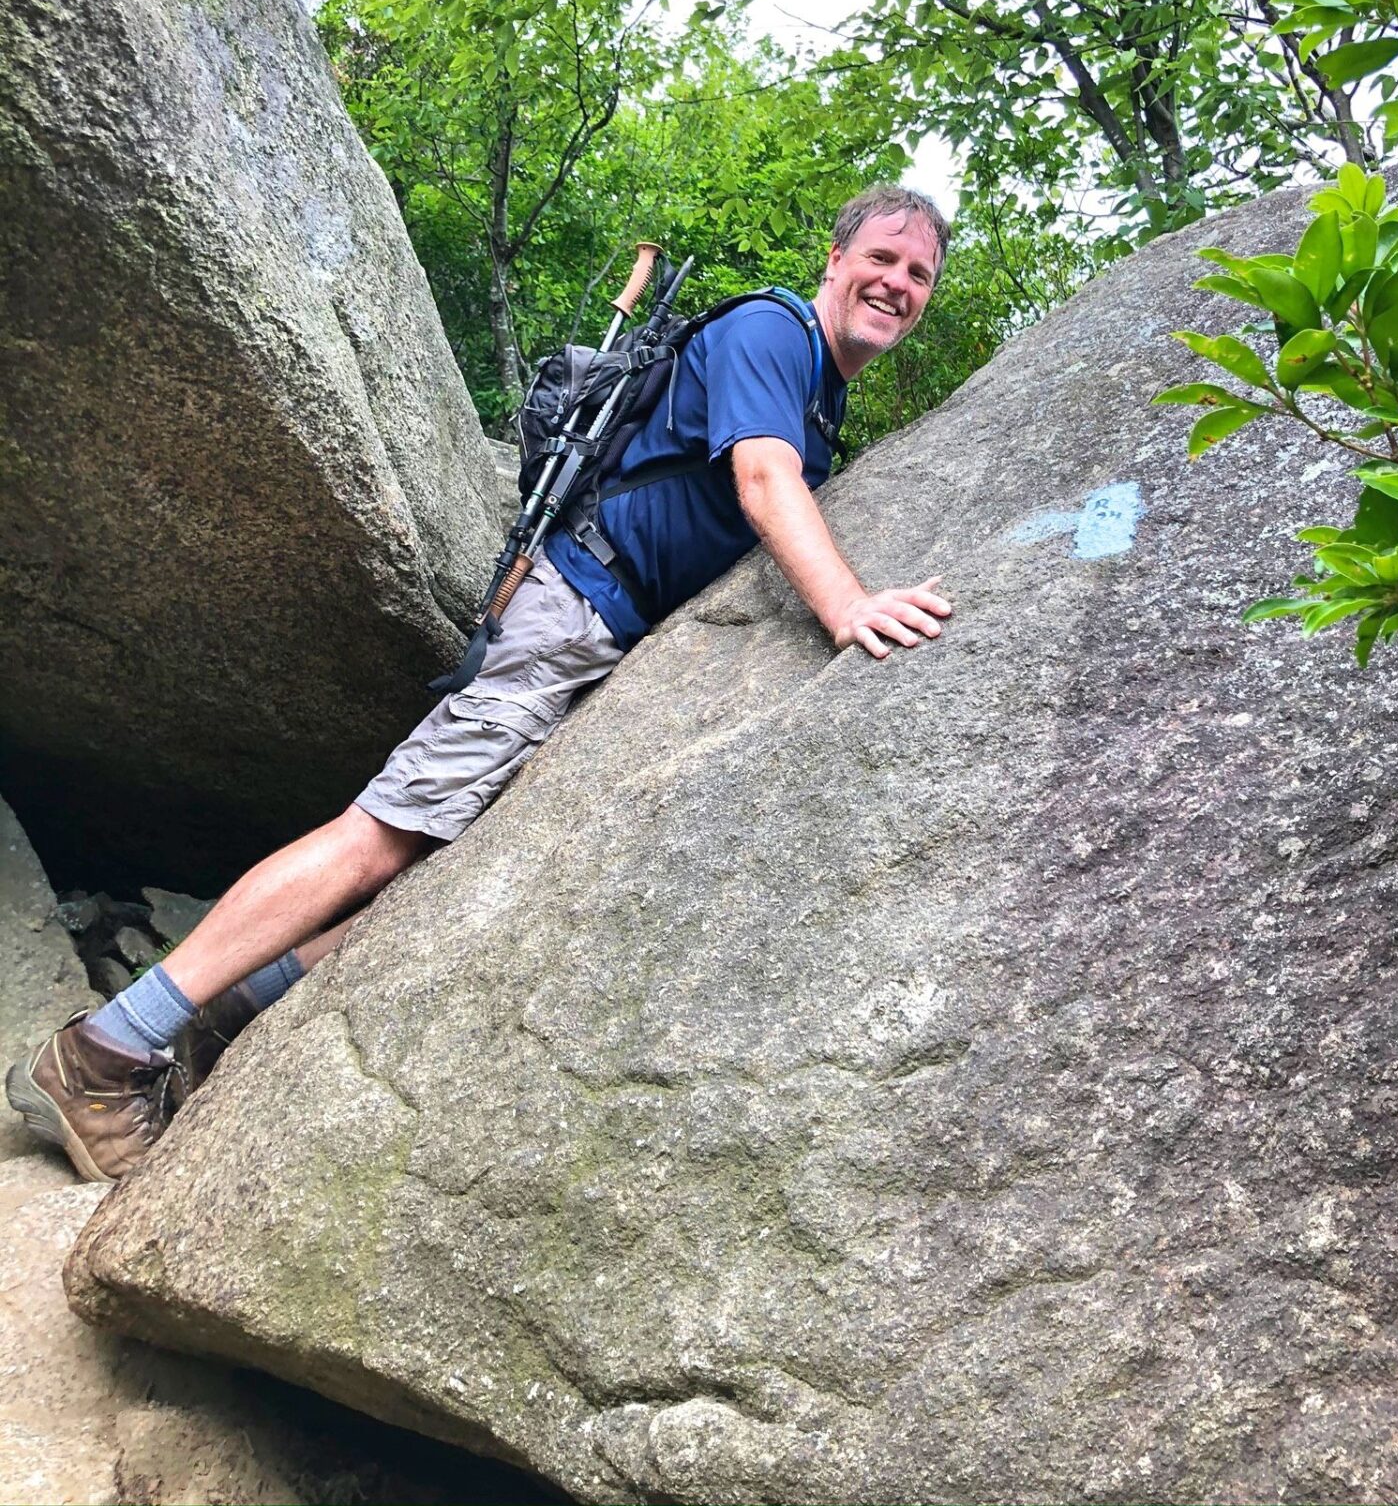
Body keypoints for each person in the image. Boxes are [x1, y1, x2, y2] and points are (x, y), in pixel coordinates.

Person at [7, 185, 952, 1182]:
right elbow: (765, 481)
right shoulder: (775, 331)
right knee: (381, 835)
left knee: (436, 885)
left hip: (599, 641)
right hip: (576, 616)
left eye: (918, 274)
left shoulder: (822, 393)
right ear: (835, 262)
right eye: (882, 260)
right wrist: (848, 607)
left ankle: (226, 1019)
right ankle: (108, 1051)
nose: (896, 284)